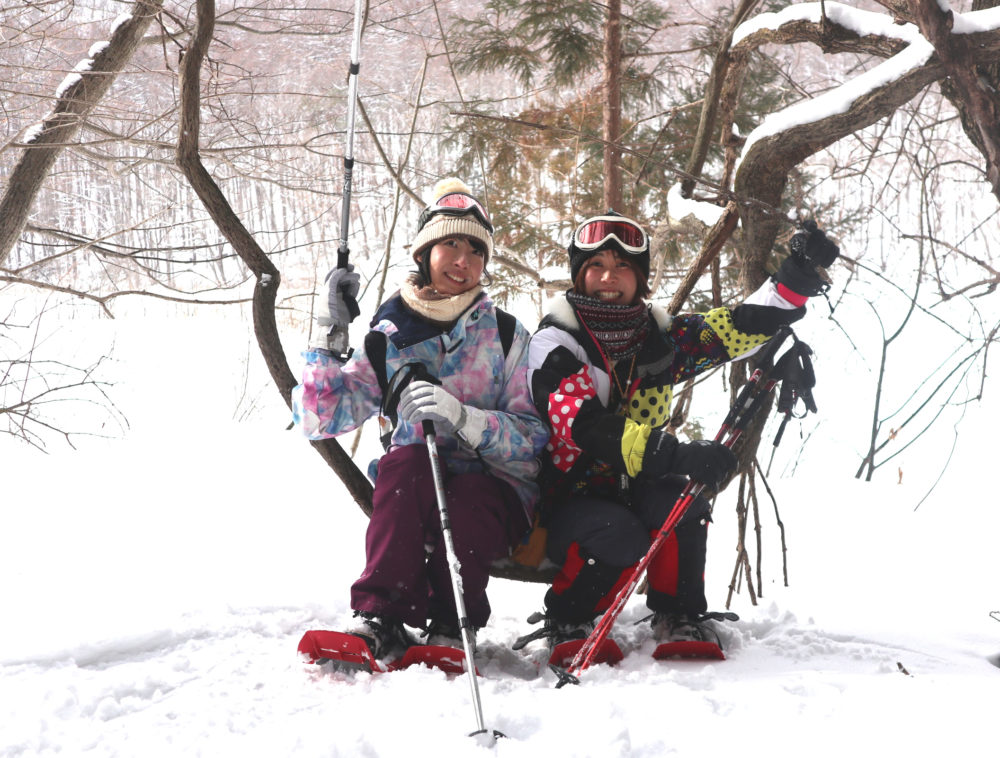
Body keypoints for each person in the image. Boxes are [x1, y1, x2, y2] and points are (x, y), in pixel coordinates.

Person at [517, 212, 839, 650]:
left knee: (684, 504)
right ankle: (569, 619)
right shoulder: (554, 343)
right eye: (596, 266)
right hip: (569, 497)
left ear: (641, 278)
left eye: (623, 266)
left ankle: (679, 615)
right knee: (618, 529)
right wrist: (679, 455)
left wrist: (794, 280)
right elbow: (588, 427)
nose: (609, 277)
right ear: (578, 276)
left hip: (638, 486)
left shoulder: (658, 338)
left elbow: (733, 327)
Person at [292, 178, 549, 659]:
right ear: (424, 252)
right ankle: (379, 617)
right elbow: (319, 419)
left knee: (470, 493)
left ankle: (454, 625)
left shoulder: (508, 335)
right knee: (405, 463)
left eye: (476, 250)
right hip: (413, 494)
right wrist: (329, 334)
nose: (463, 260)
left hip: (496, 495)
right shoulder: (388, 335)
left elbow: (533, 439)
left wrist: (467, 419)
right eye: (450, 243)